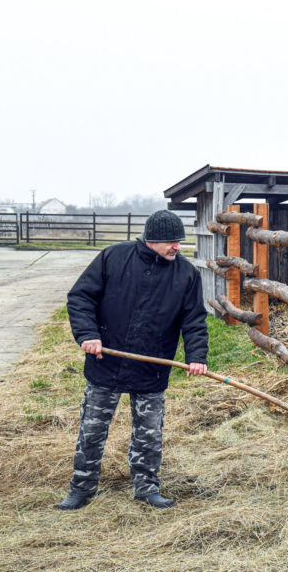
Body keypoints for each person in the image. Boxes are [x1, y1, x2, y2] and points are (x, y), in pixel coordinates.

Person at [58, 210, 208, 510]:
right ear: (151, 241)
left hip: (153, 367)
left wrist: (197, 356)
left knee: (149, 433)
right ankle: (82, 488)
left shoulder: (186, 274)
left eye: (179, 241)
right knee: (92, 429)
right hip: (106, 361)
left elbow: (194, 319)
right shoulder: (114, 257)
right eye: (171, 242)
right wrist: (88, 335)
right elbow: (80, 297)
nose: (177, 247)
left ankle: (147, 488)